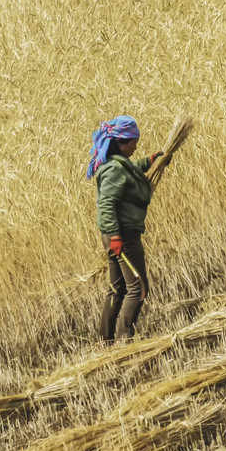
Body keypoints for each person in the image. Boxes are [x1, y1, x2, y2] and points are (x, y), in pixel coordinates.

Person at [86, 115, 168, 343]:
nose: (136, 145)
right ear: (121, 143)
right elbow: (106, 205)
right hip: (122, 236)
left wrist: (150, 162)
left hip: (116, 235)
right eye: (133, 141)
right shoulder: (113, 170)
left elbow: (131, 170)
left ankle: (105, 341)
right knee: (138, 288)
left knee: (117, 289)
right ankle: (125, 341)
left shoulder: (117, 163)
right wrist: (115, 237)